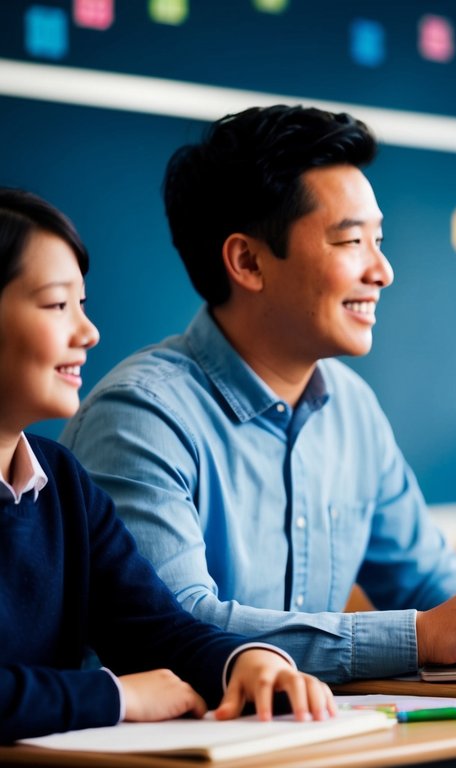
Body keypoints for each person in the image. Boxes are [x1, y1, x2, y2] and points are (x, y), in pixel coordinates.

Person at [60, 105, 456, 684]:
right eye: (351, 242)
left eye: (379, 240)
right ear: (247, 261)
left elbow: (429, 580)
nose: (383, 270)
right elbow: (176, 630)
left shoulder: (351, 409)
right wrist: (418, 635)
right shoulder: (140, 418)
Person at [0, 188, 334, 741]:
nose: (88, 333)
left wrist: (246, 664)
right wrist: (114, 695)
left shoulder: (61, 482)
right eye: (58, 305)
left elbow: (153, 628)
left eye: (83, 305)